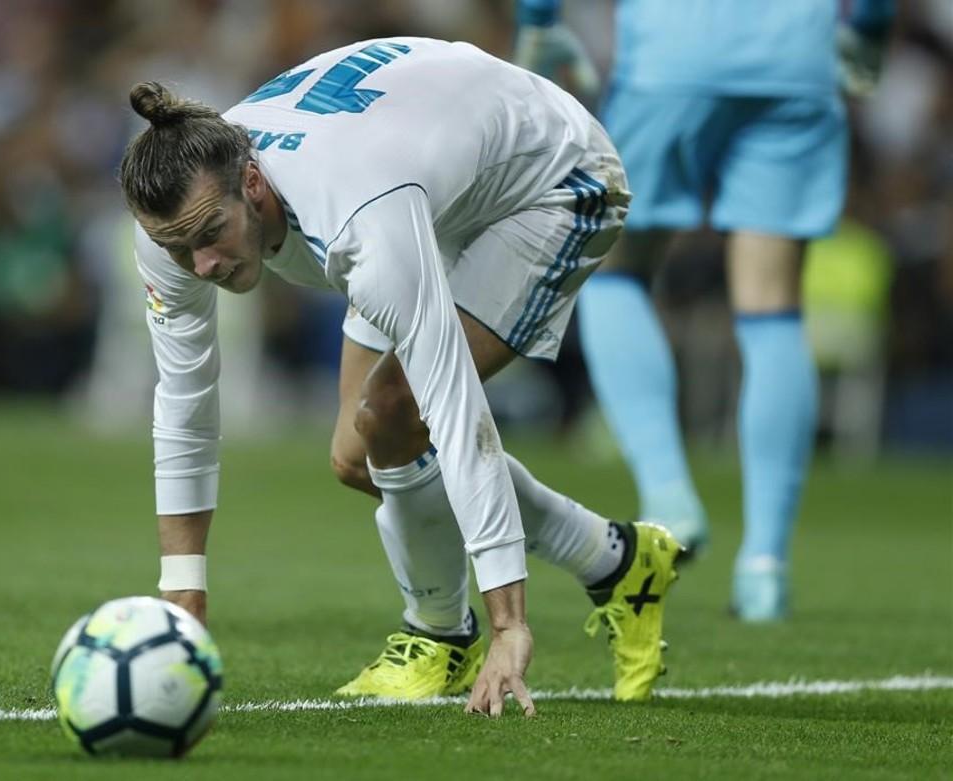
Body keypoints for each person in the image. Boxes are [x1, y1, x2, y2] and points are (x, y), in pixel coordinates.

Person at [122, 37, 685, 716]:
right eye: (177, 247)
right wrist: (184, 595)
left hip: (553, 180)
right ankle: (618, 560)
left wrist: (510, 621)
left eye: (211, 233)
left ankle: (442, 634)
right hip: (426, 171)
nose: (201, 264)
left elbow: (456, 408)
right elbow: (183, 402)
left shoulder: (361, 217)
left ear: (252, 183)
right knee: (357, 455)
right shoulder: (175, 223)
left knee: (394, 411)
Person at [512, 0, 895, 621]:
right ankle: (765, 566)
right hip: (795, 59)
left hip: (672, 54)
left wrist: (537, 20)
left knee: (615, 271)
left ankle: (668, 496)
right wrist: (871, 29)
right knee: (773, 307)